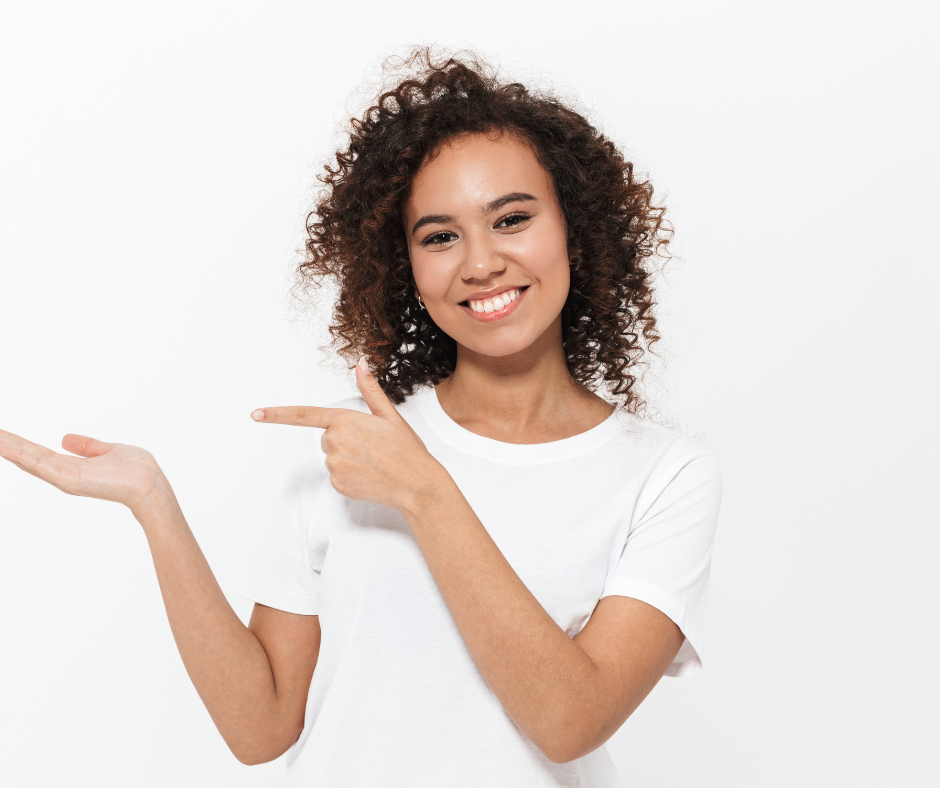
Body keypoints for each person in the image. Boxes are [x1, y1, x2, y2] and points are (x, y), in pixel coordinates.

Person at [0, 48, 722, 787]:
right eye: (439, 236)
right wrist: (155, 505)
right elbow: (260, 730)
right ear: (404, 263)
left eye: (511, 219)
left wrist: (425, 493)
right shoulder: (346, 448)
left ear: (575, 229)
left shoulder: (662, 475)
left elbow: (570, 722)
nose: (480, 263)